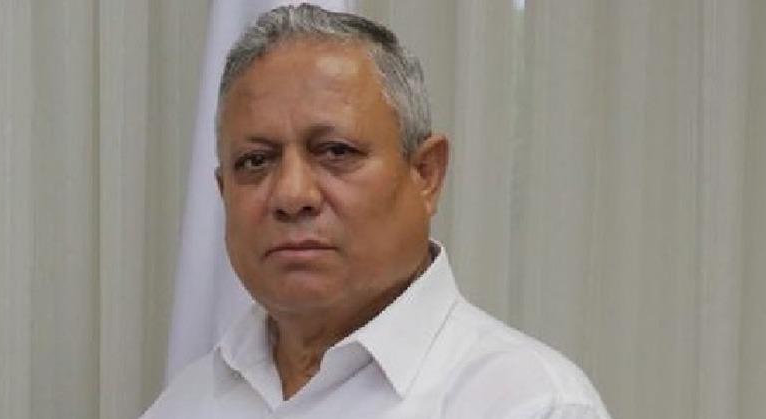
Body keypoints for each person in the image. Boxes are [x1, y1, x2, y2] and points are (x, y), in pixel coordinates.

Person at [141, 4, 611, 418]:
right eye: (255, 161)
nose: (291, 194)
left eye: (335, 151)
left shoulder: (529, 405)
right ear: (223, 192)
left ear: (425, 174)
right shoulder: (186, 403)